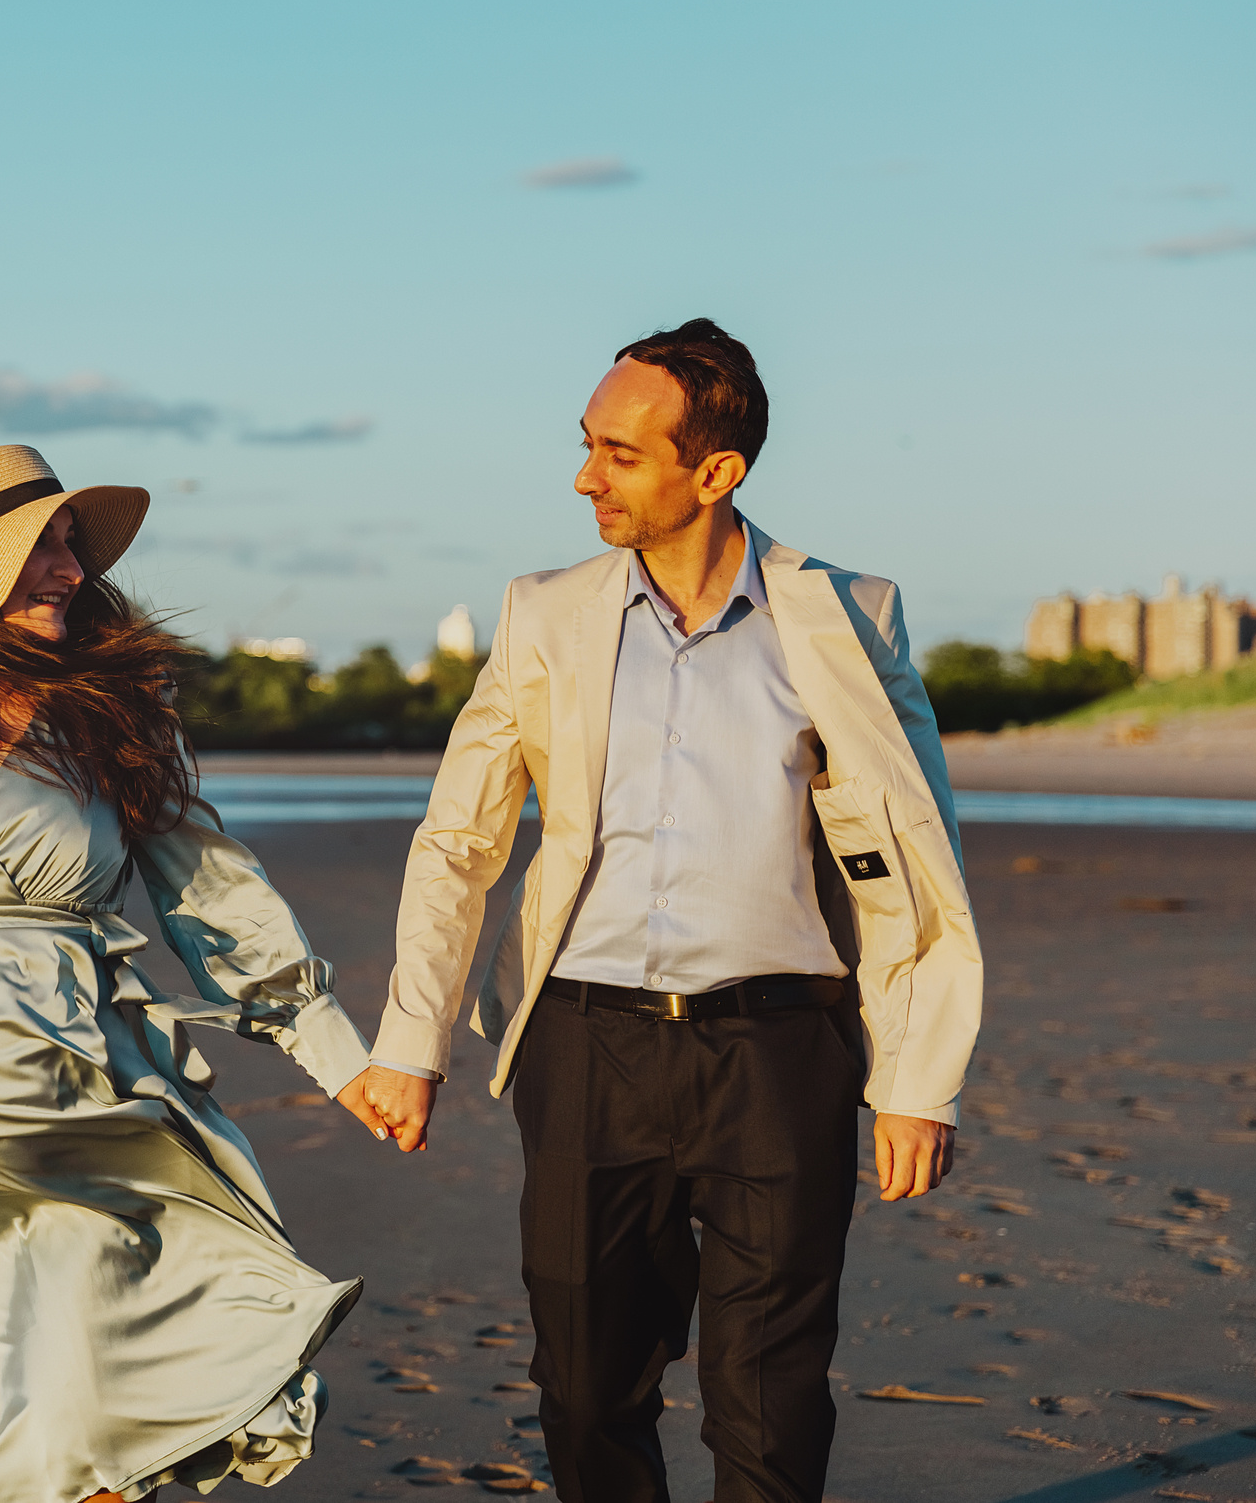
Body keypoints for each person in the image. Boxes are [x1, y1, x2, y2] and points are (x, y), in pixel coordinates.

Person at [357, 320, 983, 1503]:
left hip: (781, 1049)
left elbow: (912, 859)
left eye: (619, 453)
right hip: (585, 1046)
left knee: (772, 1394)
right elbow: (460, 840)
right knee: (589, 1387)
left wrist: (917, 1077)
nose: (585, 476)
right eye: (585, 444)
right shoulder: (543, 615)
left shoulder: (847, 613)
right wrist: (411, 1042)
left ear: (714, 473)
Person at [0, 443, 388, 1503]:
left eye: (69, 545)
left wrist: (338, 1057)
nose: (70, 569)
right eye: (41, 548)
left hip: (87, 1122)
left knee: (98, 1437)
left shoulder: (112, 713)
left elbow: (210, 894)